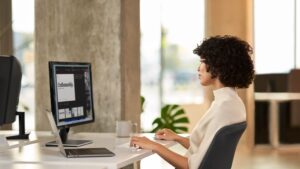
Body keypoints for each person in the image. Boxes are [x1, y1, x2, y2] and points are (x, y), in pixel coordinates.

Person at [131, 35, 255, 169]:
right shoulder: (233, 102)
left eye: (202, 61)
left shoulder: (223, 108)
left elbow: (193, 166)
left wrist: (154, 146)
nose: (198, 68)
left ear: (217, 66)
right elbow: (208, 152)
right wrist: (177, 138)